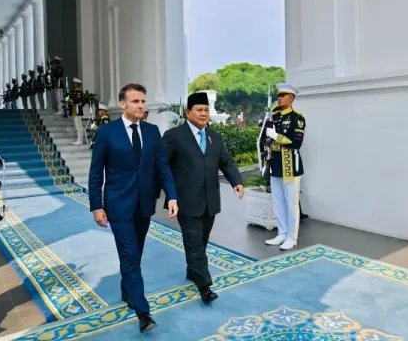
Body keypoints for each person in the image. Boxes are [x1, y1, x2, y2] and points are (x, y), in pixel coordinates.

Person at [88, 83, 179, 333]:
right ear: (123, 104)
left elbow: (162, 167)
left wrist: (172, 196)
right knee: (129, 254)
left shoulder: (152, 131)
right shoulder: (107, 132)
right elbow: (96, 172)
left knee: (135, 253)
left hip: (144, 204)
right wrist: (96, 206)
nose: (140, 105)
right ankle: (143, 312)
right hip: (118, 205)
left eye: (143, 101)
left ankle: (127, 290)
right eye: (135, 101)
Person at [162, 92, 244, 303]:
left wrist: (236, 181)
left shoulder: (214, 136)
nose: (203, 113)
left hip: (210, 200)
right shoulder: (173, 136)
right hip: (185, 200)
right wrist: (168, 195)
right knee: (195, 243)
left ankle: (193, 271)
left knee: (202, 241)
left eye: (206, 110)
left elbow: (226, 161)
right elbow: (162, 167)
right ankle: (205, 286)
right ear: (188, 112)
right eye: (199, 110)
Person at [264, 83, 306, 250]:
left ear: (291, 98)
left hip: (290, 165)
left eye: (283, 96)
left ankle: (291, 237)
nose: (279, 98)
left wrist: (276, 136)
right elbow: (266, 139)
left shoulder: (297, 118)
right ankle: (282, 233)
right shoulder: (275, 117)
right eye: (278, 96)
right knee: (278, 202)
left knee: (291, 203)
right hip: (275, 164)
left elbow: (296, 143)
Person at [68, 78, 84, 145]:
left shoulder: (79, 92)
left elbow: (77, 100)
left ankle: (79, 139)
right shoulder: (74, 91)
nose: (74, 85)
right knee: (76, 124)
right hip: (74, 109)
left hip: (77, 109)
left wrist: (71, 99)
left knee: (78, 124)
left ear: (78, 84)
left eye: (75, 84)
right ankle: (78, 139)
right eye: (74, 83)